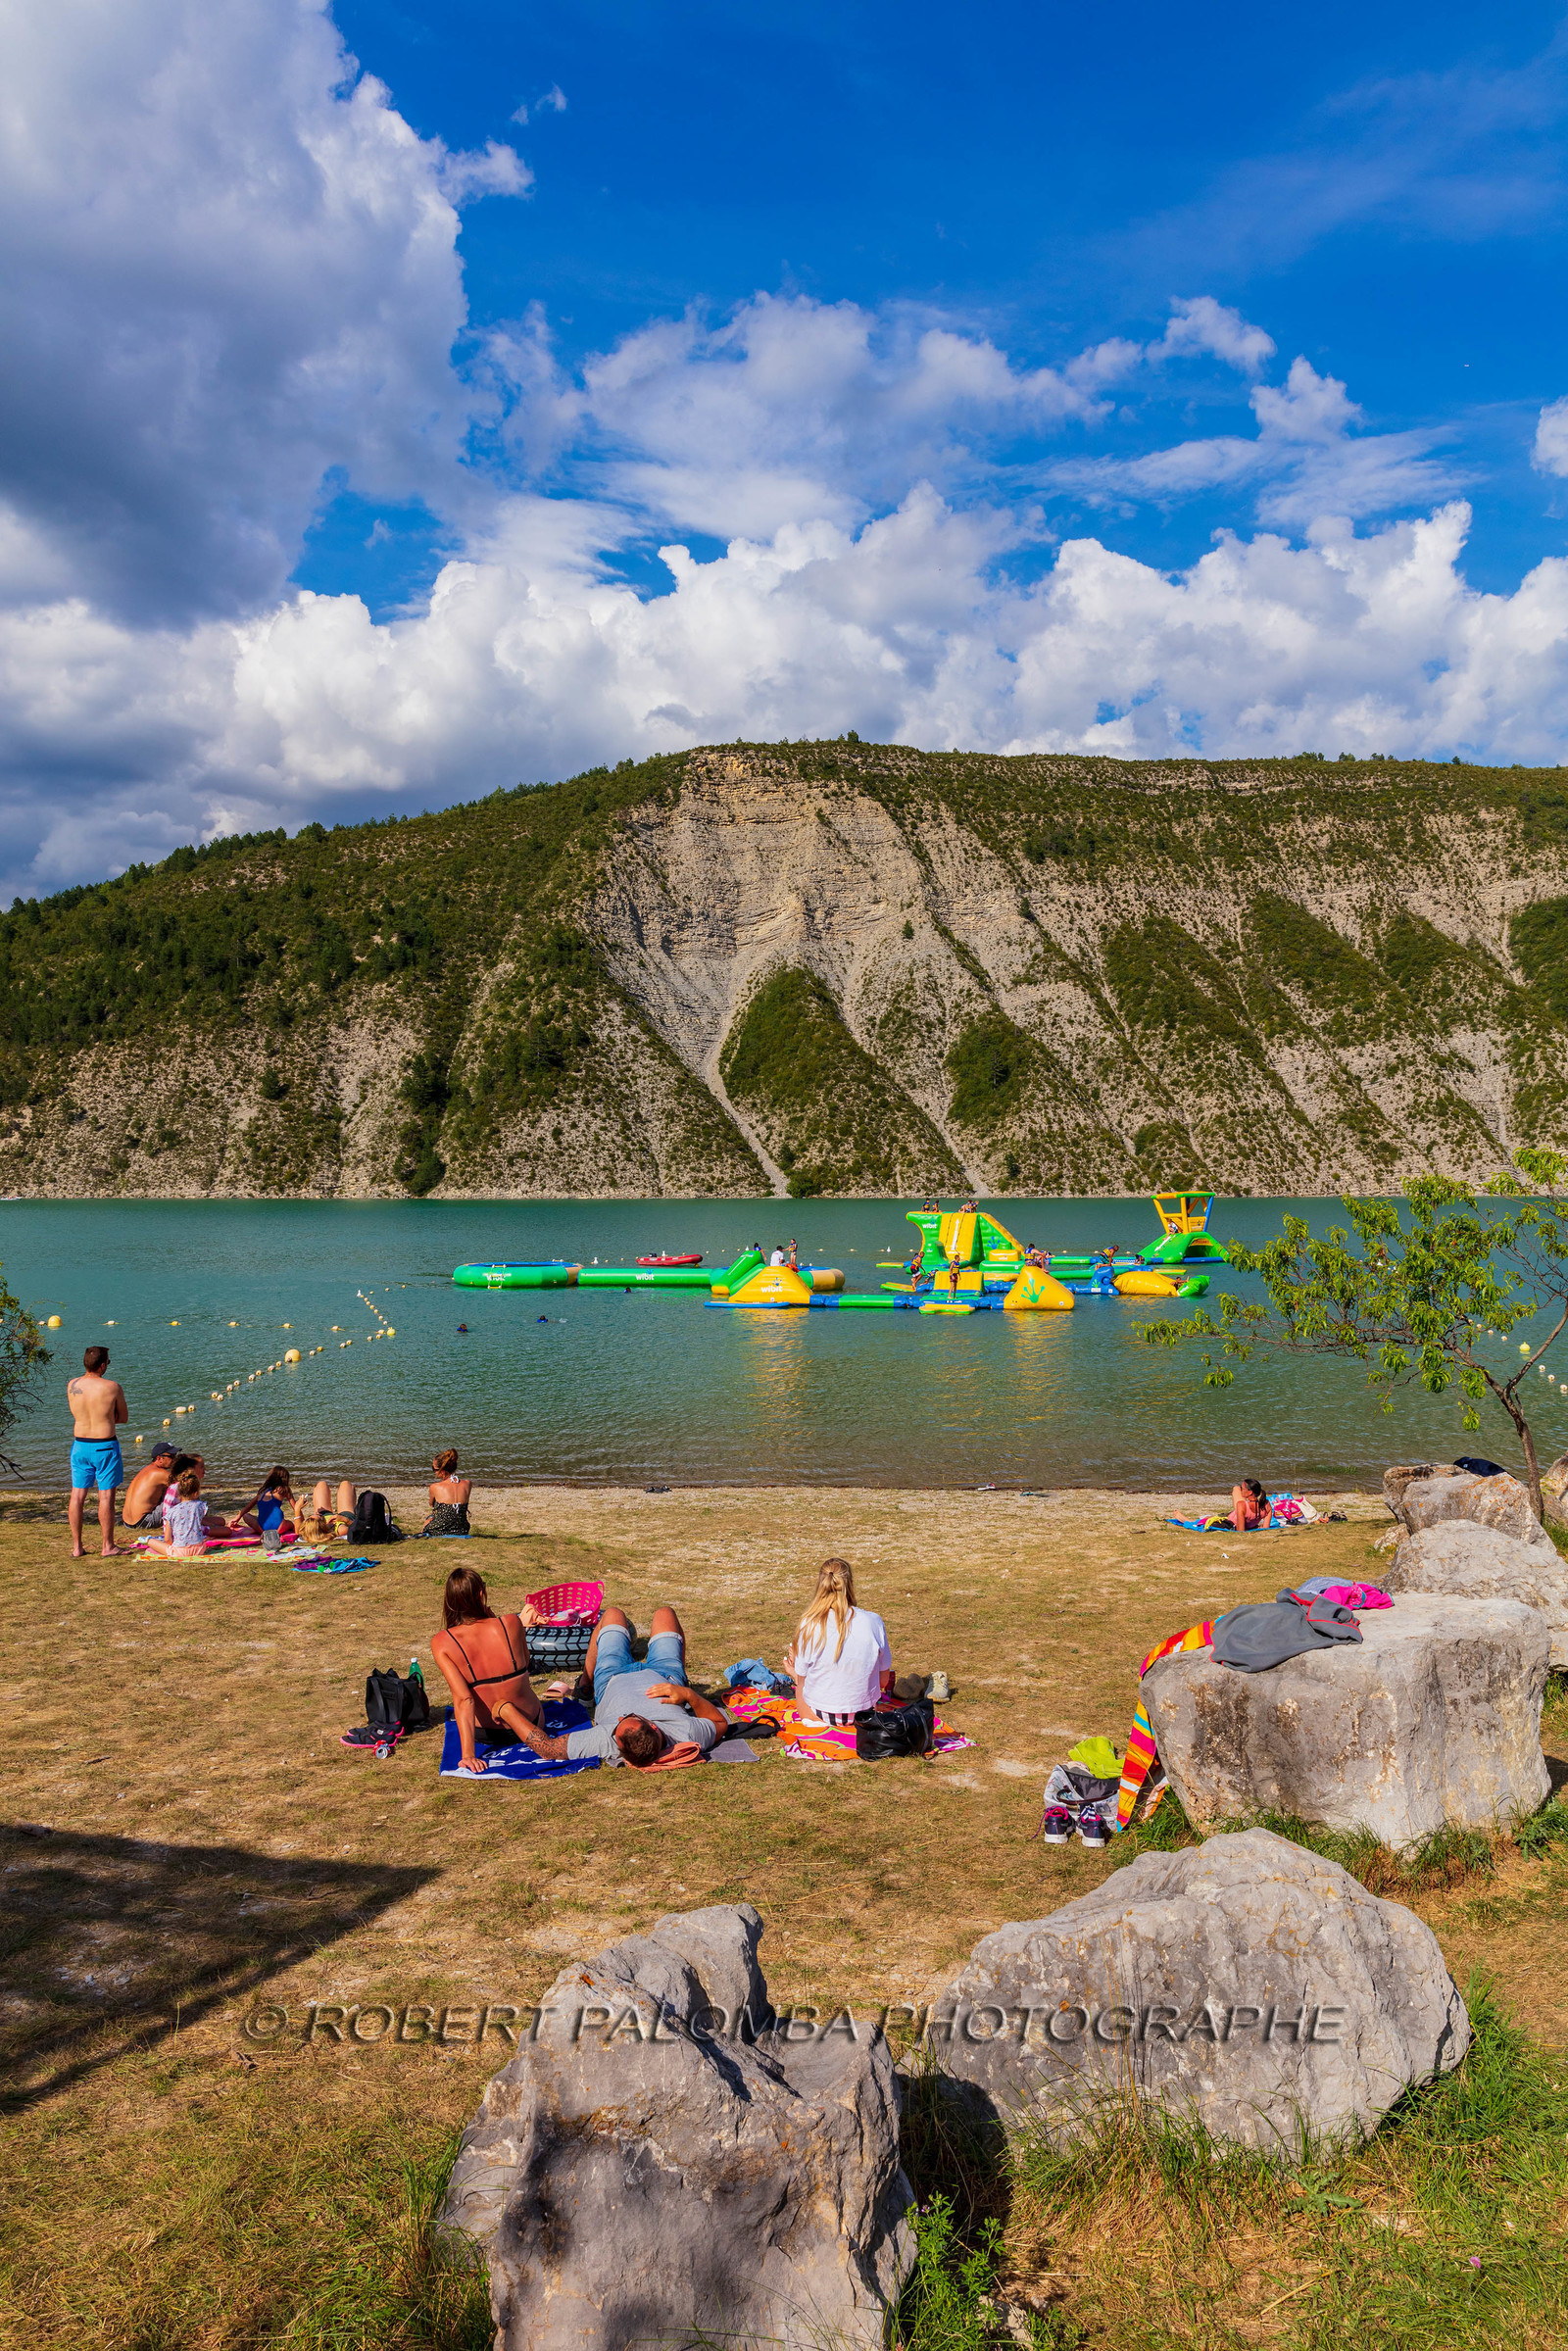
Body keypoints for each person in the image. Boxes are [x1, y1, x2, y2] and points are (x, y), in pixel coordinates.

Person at [502, 1602, 731, 1770]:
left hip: (611, 1678)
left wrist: (507, 1711)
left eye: (617, 1725)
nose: (619, 1719)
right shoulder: (685, 1732)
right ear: (652, 1726)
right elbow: (720, 1722)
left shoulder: (606, 1739)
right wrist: (689, 1695)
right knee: (665, 1613)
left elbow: (548, 1749)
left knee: (612, 1614)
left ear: (617, 1747)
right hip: (666, 1675)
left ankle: (585, 1685)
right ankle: (679, 1677)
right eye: (631, 1717)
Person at [431, 1567, 545, 1773]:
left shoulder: (442, 1642)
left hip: (485, 1733)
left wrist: (468, 1755)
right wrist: (495, 1620)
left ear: (450, 1600)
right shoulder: (511, 1622)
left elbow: (464, 1699)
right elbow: (525, 1662)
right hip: (531, 1722)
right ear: (482, 1594)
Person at [785, 1558, 894, 1726]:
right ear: (850, 1584)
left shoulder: (809, 1624)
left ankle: (795, 1672)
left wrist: (795, 1672)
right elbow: (883, 1681)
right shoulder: (873, 1621)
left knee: (801, 1683)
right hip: (863, 1713)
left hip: (819, 1714)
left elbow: (804, 1680)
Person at [68, 1345, 128, 1558]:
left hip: (80, 1445)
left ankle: (77, 1547)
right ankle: (107, 1546)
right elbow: (123, 1417)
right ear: (103, 1365)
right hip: (104, 1446)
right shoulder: (112, 1387)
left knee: (77, 1496)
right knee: (106, 1497)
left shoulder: (72, 1384)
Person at [122, 1442, 177, 1530]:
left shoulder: (147, 1470)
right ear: (159, 1458)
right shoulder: (160, 1474)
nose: (175, 1460)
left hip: (127, 1522)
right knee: (178, 1496)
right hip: (144, 1522)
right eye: (172, 1457)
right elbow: (186, 1488)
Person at [240, 1465, 294, 1551]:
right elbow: (296, 1508)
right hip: (279, 1526)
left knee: (246, 1515)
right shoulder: (284, 1490)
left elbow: (247, 1508)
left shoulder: (262, 1492)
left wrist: (235, 1519)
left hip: (262, 1528)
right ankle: (276, 1532)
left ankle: (262, 1532)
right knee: (291, 1524)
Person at [423, 1448, 471, 1536]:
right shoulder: (468, 1483)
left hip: (440, 1529)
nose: (434, 1472)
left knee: (428, 1519)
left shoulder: (435, 1487)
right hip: (462, 1529)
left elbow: (432, 1504)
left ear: (442, 1470)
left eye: (434, 1469)